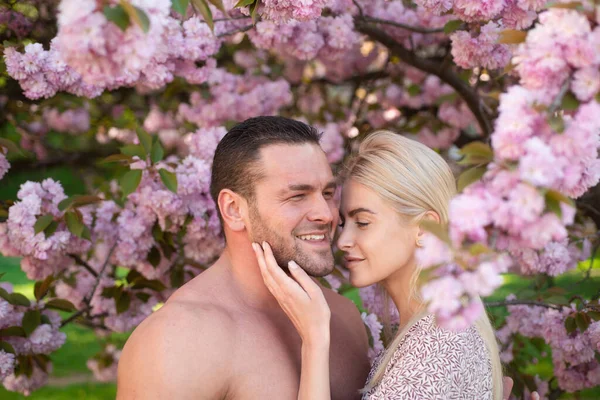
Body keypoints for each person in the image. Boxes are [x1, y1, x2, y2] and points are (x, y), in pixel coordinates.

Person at [252, 130, 525, 399]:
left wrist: (314, 338)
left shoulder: (433, 351)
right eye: (345, 223)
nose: (343, 240)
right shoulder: (434, 332)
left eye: (363, 223)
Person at [116, 116, 371, 399]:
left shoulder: (343, 316)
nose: (326, 214)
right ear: (234, 209)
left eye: (327, 193)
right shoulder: (177, 340)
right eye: (297, 196)